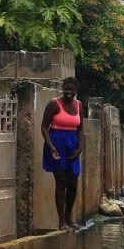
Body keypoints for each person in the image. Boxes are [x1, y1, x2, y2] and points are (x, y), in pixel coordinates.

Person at [41, 77, 84, 230]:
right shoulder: (54, 104)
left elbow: (80, 129)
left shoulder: (79, 105)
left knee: (73, 183)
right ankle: (62, 222)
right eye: (66, 89)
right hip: (56, 145)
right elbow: (44, 127)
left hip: (72, 145)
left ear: (76, 91)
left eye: (72, 90)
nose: (69, 92)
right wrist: (50, 145)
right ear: (62, 88)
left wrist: (80, 147)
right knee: (61, 182)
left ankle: (69, 217)